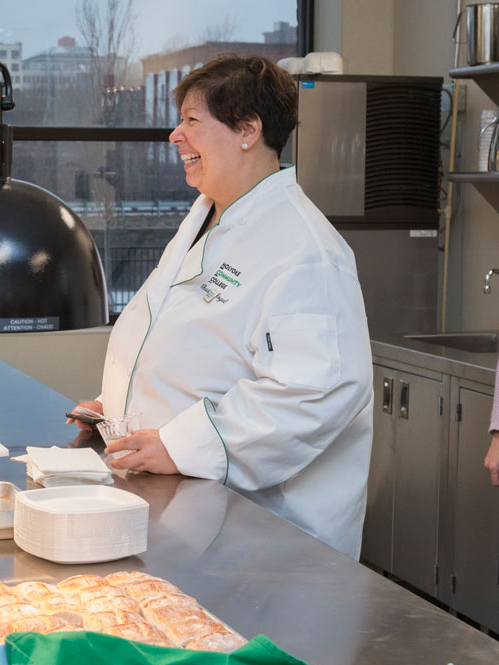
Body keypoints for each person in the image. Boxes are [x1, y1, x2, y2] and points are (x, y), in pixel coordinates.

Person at [72, 54, 373, 559]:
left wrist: (183, 445)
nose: (175, 135)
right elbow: (198, 349)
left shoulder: (304, 251)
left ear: (247, 130)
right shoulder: (207, 220)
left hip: (267, 538)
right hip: (192, 510)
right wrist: (122, 407)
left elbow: (313, 391)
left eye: (192, 121)